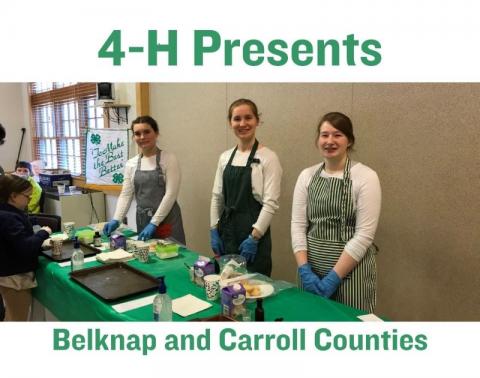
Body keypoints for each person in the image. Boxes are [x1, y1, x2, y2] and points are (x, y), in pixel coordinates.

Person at [291, 112, 381, 313]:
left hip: (351, 274)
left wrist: (335, 276)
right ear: (317, 140)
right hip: (311, 271)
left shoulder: (366, 177)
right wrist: (304, 270)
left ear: (349, 140)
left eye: (337, 135)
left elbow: (364, 235)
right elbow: (298, 226)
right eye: (324, 135)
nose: (329, 141)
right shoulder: (307, 176)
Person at [210, 99, 282, 276]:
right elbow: (217, 196)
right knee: (226, 287)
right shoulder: (225, 157)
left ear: (257, 120)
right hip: (226, 233)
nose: (242, 123)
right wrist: (213, 229)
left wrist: (254, 237)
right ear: (230, 122)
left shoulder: (268, 158)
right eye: (237, 119)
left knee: (254, 289)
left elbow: (270, 203)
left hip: (254, 235)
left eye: (248, 117)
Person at [103, 115, 186, 244]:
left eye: (147, 132)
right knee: (147, 257)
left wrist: (154, 223)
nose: (142, 137)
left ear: (156, 133)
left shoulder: (169, 159)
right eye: (137, 134)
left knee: (170, 256)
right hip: (143, 220)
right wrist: (116, 219)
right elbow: (126, 194)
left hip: (167, 220)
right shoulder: (131, 164)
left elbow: (170, 195)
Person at [0, 174, 52, 321]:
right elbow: (25, 247)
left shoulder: (9, 212)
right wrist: (43, 233)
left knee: (11, 315)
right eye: (27, 196)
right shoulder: (8, 218)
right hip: (14, 277)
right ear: (13, 196)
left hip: (8, 273)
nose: (30, 199)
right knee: (17, 318)